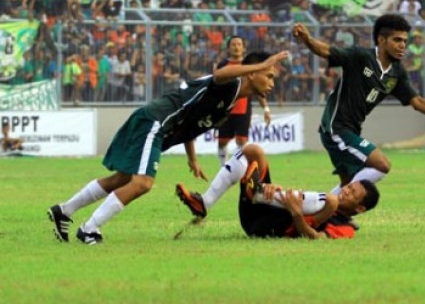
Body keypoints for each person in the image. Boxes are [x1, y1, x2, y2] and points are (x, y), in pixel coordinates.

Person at [47, 50, 289, 244]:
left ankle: (64, 210)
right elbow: (220, 74)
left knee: (121, 179)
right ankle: (89, 229)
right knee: (142, 183)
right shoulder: (230, 85)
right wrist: (261, 64)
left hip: (157, 125)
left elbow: (191, 123)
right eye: (268, 76)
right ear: (251, 74)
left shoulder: (229, 101)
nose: (271, 83)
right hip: (156, 121)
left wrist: (192, 158)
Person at [291, 14, 425, 194]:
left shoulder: (396, 72)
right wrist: (307, 39)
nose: (402, 45)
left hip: (352, 129)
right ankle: (331, 208)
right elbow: (327, 51)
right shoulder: (361, 56)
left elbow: (416, 102)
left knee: (346, 184)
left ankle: (326, 214)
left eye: (404, 40)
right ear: (381, 39)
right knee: (382, 165)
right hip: (336, 128)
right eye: (397, 40)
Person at [176, 143, 379, 239]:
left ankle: (257, 192)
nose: (346, 191)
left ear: (359, 208)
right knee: (253, 151)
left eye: (352, 193)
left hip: (267, 227)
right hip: (261, 208)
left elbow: (317, 240)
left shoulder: (346, 228)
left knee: (331, 201)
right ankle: (204, 203)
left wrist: (297, 214)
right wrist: (272, 189)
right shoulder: (328, 203)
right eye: (349, 186)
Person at [215, 36, 271, 167]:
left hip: (243, 109)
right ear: (228, 48)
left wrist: (266, 108)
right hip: (226, 109)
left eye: (239, 44)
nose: (236, 47)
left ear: (243, 48)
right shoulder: (222, 66)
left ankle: (238, 167)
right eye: (233, 44)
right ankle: (223, 167)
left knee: (241, 141)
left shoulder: (249, 65)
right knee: (222, 141)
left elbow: (258, 88)